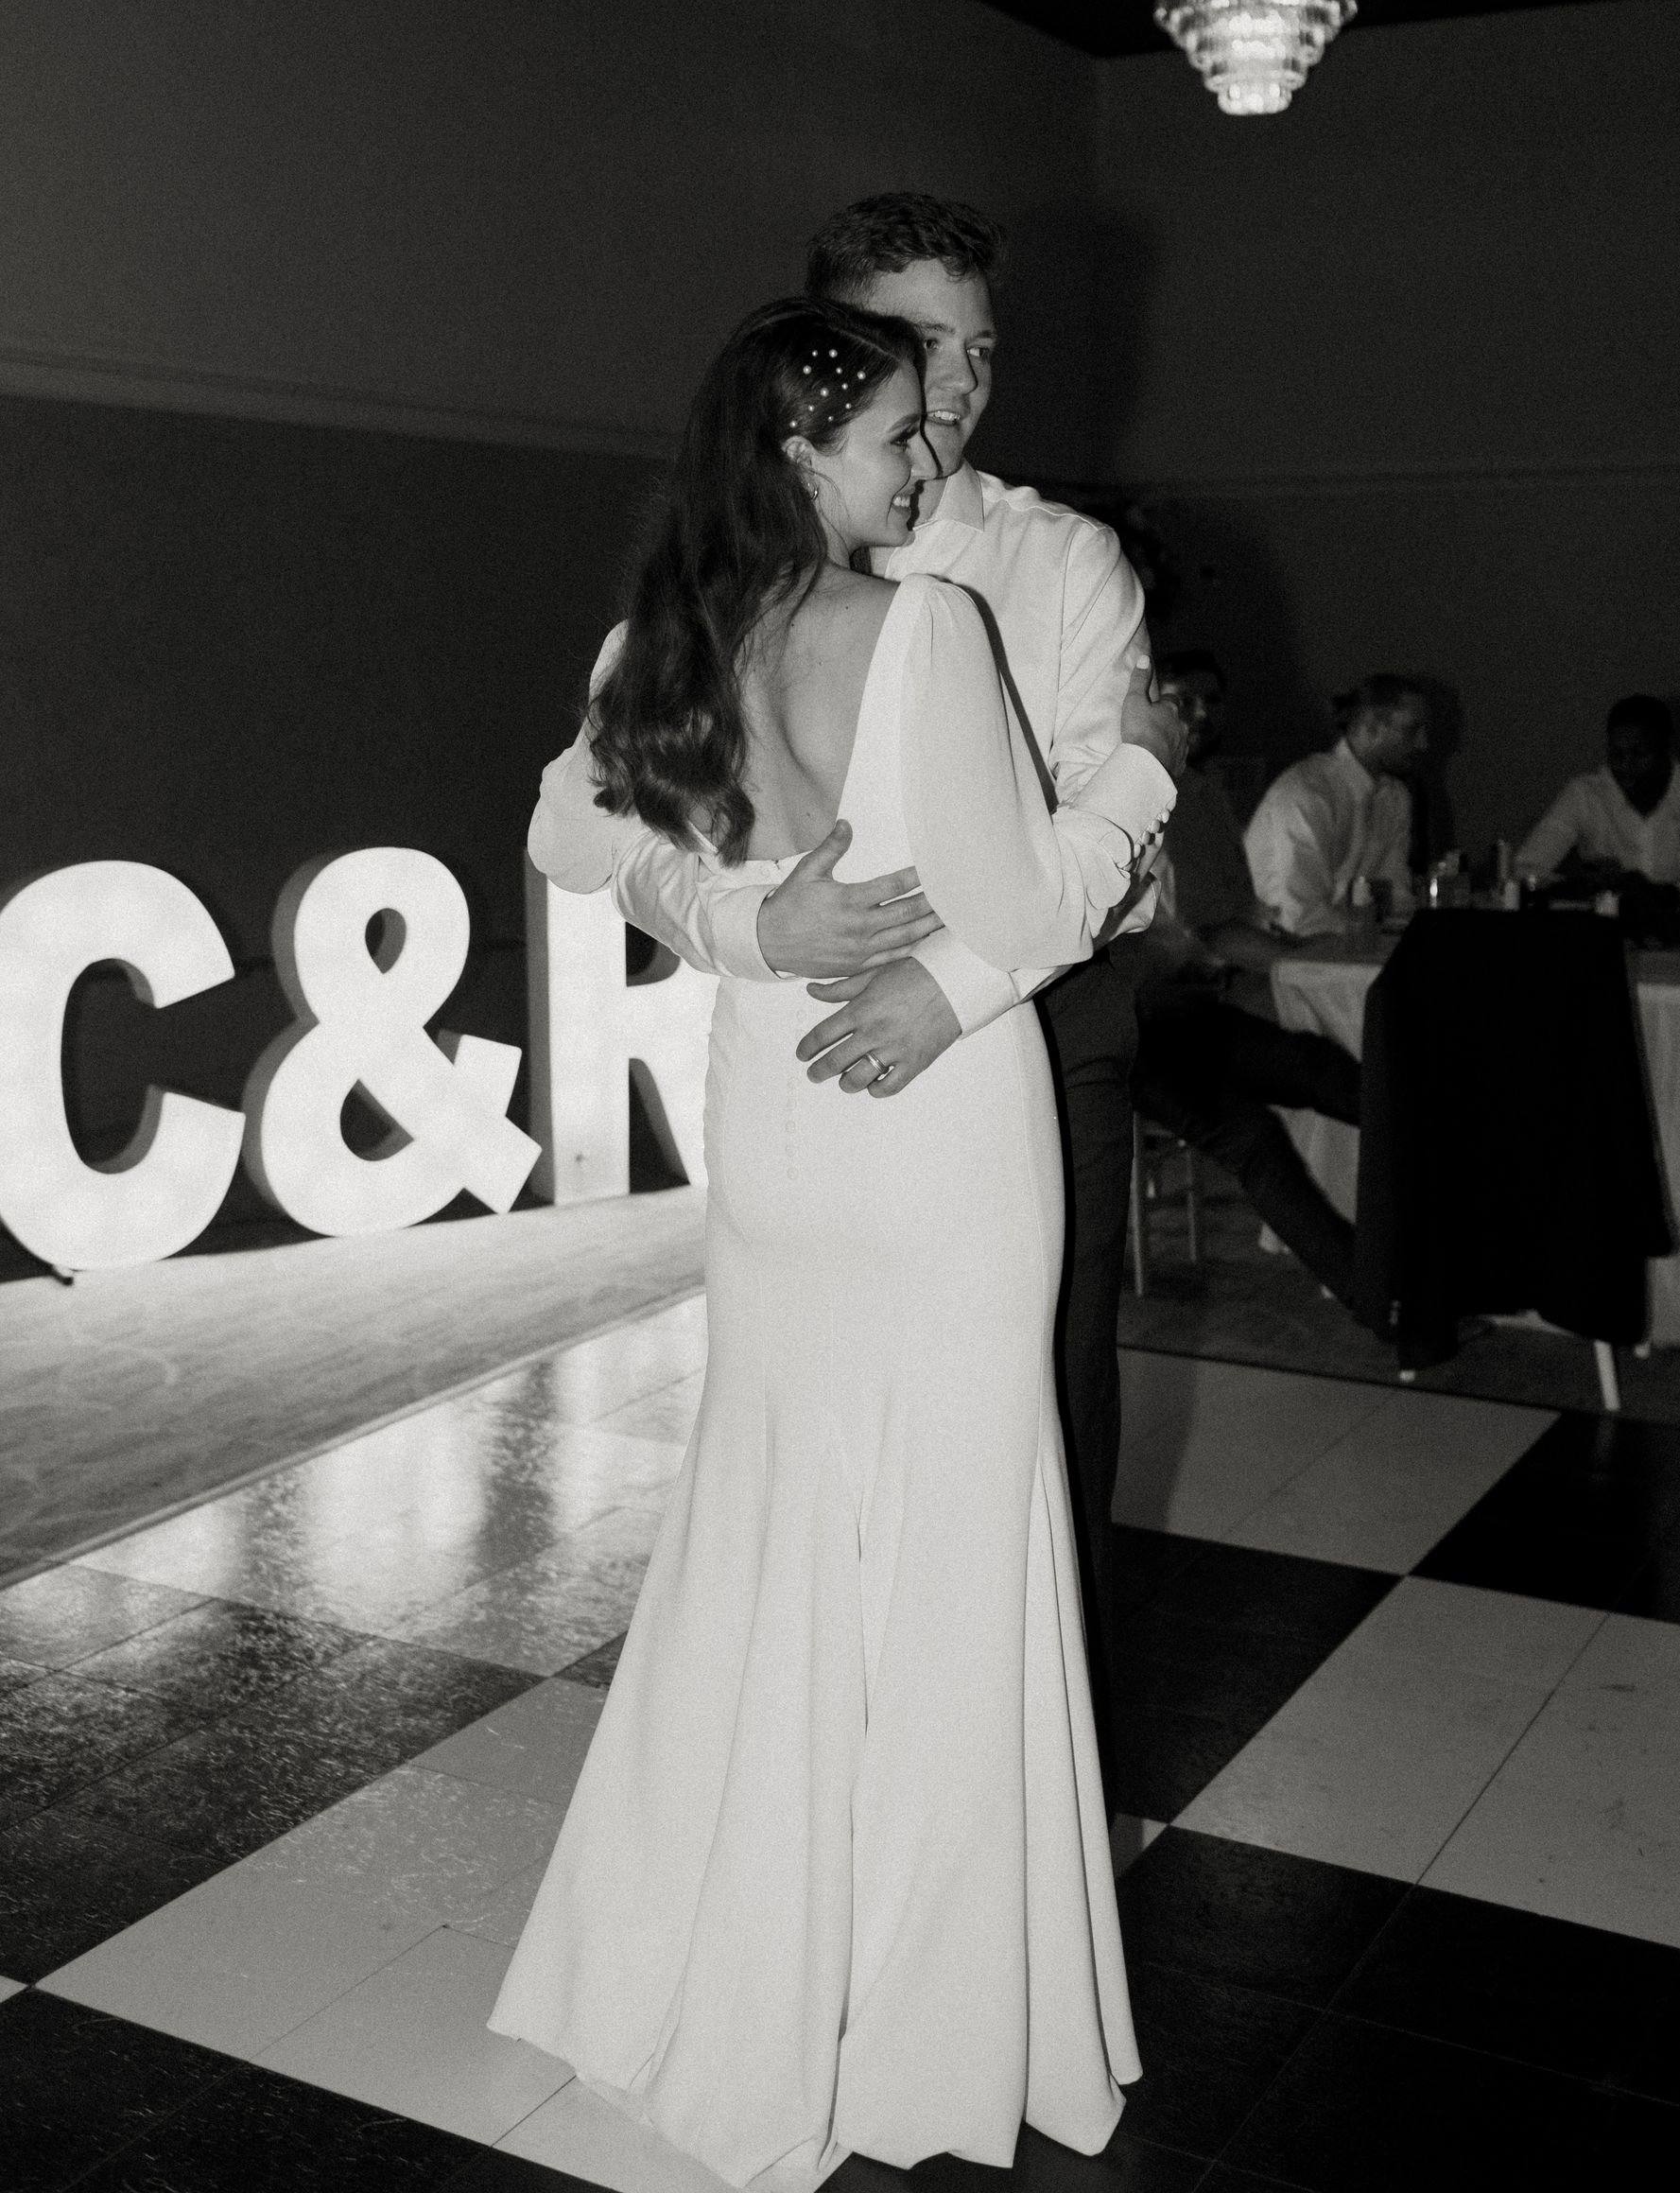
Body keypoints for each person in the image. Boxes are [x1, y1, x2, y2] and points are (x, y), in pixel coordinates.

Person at [490, 298, 1177, 2182]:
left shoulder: (666, 638)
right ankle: (927, 2024)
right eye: (897, 433)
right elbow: (1026, 893)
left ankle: (723, 1967)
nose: (929, 457)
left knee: (776, 1532)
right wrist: (1143, 777)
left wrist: (733, 933)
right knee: (956, 1550)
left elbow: (563, 834)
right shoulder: (924, 625)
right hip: (937, 1143)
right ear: (805, 457)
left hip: (785, 1127)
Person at [1112, 653, 1361, 1305]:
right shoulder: (1116, 790)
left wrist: (1297, 952)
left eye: (1211, 700)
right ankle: (1382, 1298)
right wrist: (1299, 961)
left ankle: (1442, 1249)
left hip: (1197, 1008)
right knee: (1256, 1135)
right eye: (1182, 700)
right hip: (1134, 1026)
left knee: (1338, 1073)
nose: (1199, 714)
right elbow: (1201, 935)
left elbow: (1231, 918)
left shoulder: (1202, 792)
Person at [1515, 695, 1680, 915]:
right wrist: (1585, 886)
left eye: (1639, 754)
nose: (1626, 766)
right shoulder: (1586, 794)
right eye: (1617, 754)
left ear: (1667, 747)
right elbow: (1526, 868)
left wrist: (1670, 894)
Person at [1244, 673, 1429, 935]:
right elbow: (1300, 916)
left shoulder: (1394, 796)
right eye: (1412, 731)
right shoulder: (1307, 792)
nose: (1423, 744)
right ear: (1371, 727)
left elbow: (1395, 897)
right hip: (1279, 956)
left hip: (1340, 949)